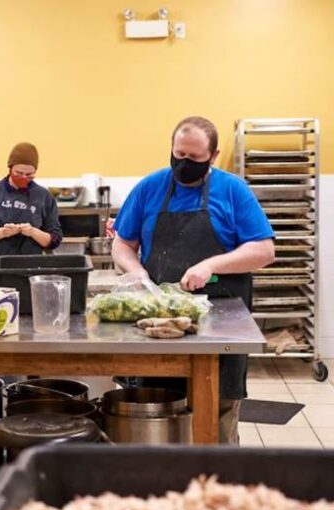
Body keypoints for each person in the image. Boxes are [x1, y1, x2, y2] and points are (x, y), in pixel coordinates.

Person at [112, 116, 275, 444]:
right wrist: (136, 271)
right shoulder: (150, 187)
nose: (184, 164)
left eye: (195, 159)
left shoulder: (233, 191)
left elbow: (264, 250)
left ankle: (219, 488)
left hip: (220, 325)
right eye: (178, 155)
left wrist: (211, 264)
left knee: (217, 419)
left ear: (213, 157)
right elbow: (122, 243)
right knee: (156, 413)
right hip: (160, 322)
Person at [0, 142, 63, 255]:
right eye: (19, 173)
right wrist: (3, 232)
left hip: (32, 266)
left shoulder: (44, 197)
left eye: (29, 174)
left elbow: (54, 239)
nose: (24, 177)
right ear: (10, 168)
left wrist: (33, 232)